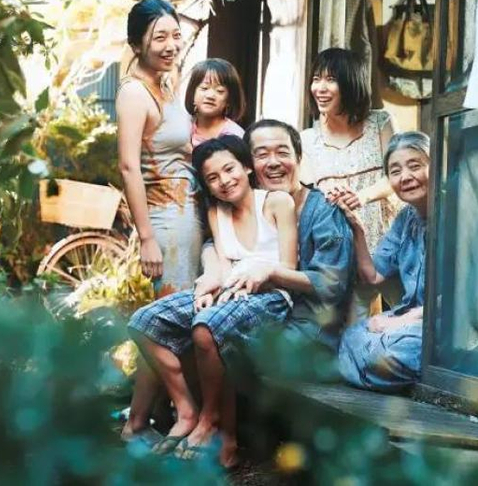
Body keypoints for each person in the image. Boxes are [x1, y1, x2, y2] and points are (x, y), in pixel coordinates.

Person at [124, 119, 354, 468]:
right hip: (238, 296)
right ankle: (175, 415)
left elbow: (329, 284)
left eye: (282, 152)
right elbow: (218, 247)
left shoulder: (317, 208)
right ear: (252, 162)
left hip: (304, 324)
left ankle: (214, 427)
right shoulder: (228, 205)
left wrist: (269, 273)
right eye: (262, 154)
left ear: (298, 156)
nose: (272, 162)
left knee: (209, 331)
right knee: (153, 321)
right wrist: (212, 274)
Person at [128, 135, 297, 464]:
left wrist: (257, 277)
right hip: (229, 292)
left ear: (247, 167)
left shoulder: (277, 202)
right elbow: (222, 262)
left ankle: (210, 418)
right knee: (143, 322)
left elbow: (288, 267)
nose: (224, 181)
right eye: (213, 177)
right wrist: (210, 285)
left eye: (230, 169)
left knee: (206, 327)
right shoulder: (216, 211)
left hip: (271, 295)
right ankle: (187, 410)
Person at [116, 0, 203, 296]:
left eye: (176, 35)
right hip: (167, 220)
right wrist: (147, 238)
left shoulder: (164, 84)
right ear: (137, 45)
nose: (171, 45)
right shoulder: (135, 94)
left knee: (196, 308)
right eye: (160, 38)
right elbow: (128, 167)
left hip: (188, 212)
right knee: (176, 310)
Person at [337, 132, 429, 392]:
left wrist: (398, 322)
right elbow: (373, 276)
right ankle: (385, 374)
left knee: (385, 353)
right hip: (408, 321)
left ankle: (373, 371)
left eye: (415, 166)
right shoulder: (405, 219)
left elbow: (456, 304)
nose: (405, 177)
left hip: (441, 327)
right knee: (349, 337)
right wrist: (358, 230)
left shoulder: (457, 213)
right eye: (395, 171)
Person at [301, 47, 398, 252]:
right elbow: (307, 196)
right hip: (335, 244)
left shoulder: (380, 123)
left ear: (351, 83)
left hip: (385, 239)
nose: (320, 88)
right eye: (316, 79)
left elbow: (395, 176)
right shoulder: (307, 139)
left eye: (331, 79)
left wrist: (362, 196)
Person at [185, 58, 245, 147]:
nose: (210, 96)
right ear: (192, 93)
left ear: (229, 99)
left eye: (219, 91)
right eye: (204, 88)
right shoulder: (183, 126)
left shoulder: (234, 135)